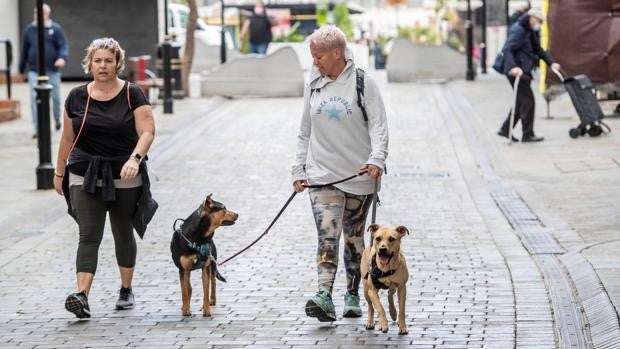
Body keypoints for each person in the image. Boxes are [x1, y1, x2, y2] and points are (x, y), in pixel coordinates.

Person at [53, 38, 155, 318]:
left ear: (117, 63)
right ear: (89, 63)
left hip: (123, 172)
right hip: (83, 173)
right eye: (97, 60)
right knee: (88, 235)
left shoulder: (132, 93)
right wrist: (59, 172)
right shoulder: (76, 96)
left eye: (108, 60)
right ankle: (82, 296)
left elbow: (147, 131)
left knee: (123, 231)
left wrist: (135, 159)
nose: (103, 66)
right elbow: (66, 138)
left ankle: (125, 289)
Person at [291, 25, 388, 322]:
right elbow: (304, 131)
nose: (315, 61)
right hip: (322, 176)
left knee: (354, 240)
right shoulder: (315, 83)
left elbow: (379, 126)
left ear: (337, 53)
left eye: (318, 56)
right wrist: (299, 167)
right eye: (312, 56)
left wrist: (377, 160)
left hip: (358, 176)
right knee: (327, 236)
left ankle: (352, 294)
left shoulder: (363, 83)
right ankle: (323, 294)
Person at [497, 8, 560, 143]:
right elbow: (508, 49)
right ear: (531, 18)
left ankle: (505, 129)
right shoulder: (519, 30)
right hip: (516, 71)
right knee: (528, 102)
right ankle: (527, 134)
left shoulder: (528, 31)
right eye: (538, 21)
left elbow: (538, 50)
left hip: (523, 70)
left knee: (521, 102)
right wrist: (514, 67)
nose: (539, 24)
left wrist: (552, 63)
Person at [18, 3, 69, 138]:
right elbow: (24, 51)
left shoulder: (55, 29)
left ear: (47, 15)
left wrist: (62, 58)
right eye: (35, 13)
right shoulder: (29, 30)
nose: (36, 16)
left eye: (40, 13)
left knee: (56, 98)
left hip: (52, 70)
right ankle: (37, 128)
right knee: (35, 99)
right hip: (34, 71)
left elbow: (63, 46)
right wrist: (21, 69)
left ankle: (57, 119)